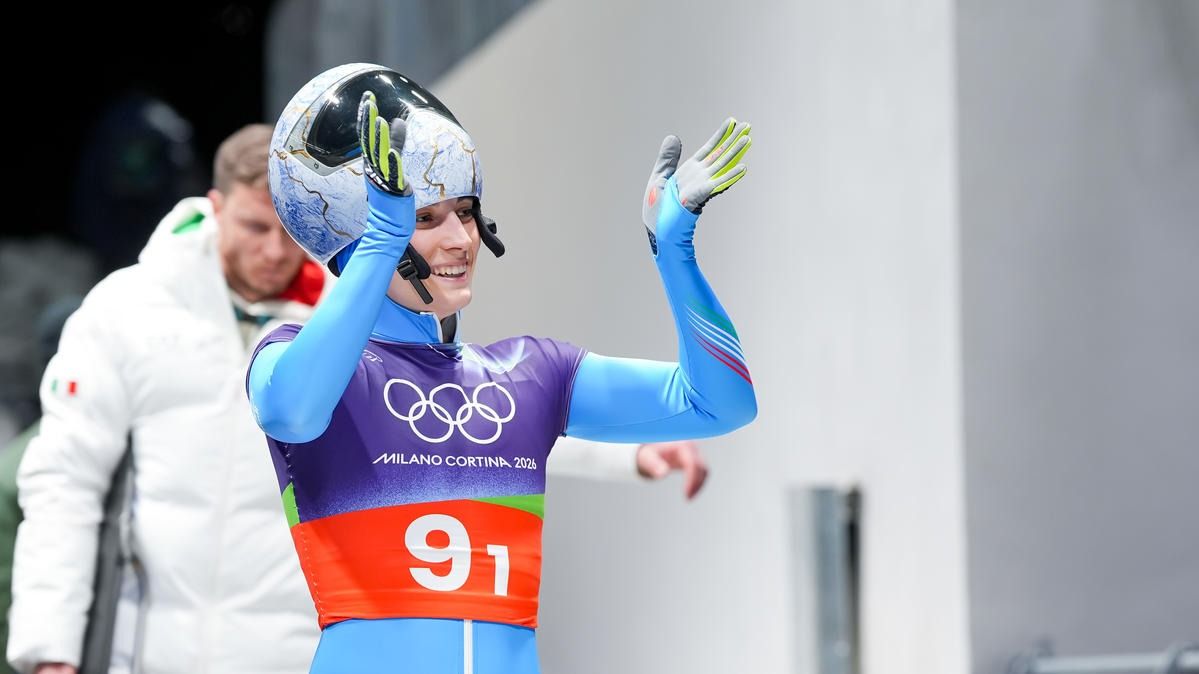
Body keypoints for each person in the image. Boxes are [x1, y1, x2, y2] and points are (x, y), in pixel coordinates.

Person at [9, 123, 699, 674]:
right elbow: (64, 477)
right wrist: (50, 647)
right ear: (214, 208)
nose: (274, 251)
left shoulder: (350, 314)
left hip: (297, 639)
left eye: (287, 231)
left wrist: (635, 449)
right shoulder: (128, 309)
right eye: (253, 228)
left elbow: (471, 415)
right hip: (153, 645)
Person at [248, 63, 756, 673]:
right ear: (359, 234)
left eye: (465, 212)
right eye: (425, 218)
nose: (460, 239)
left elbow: (721, 404)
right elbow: (293, 412)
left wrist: (675, 253)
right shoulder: (297, 359)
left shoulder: (530, 372)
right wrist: (383, 239)